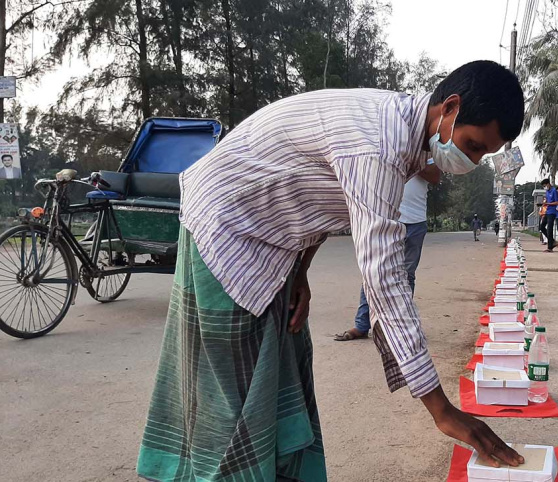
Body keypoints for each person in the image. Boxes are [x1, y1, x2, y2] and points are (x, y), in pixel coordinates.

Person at [137, 60, 526, 482]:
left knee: (285, 367)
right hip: (226, 225)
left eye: (483, 154)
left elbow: (317, 192)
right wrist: (443, 410)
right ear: (449, 108)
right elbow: (385, 282)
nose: (472, 160)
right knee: (236, 389)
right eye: (472, 146)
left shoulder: (407, 135)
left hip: (275, 238)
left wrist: (300, 269)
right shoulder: (378, 144)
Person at [334, 162, 440, 342]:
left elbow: (435, 177)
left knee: (406, 276)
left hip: (415, 221)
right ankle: (362, 325)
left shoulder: (426, 150)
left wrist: (412, 160)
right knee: (373, 271)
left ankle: (398, 328)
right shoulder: (384, 138)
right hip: (384, 218)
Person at [538, 178, 558, 252]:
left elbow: (557, 203)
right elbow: (547, 200)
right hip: (547, 211)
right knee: (542, 227)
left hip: (552, 212)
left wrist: (548, 203)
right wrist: (544, 203)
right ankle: (552, 241)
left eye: (545, 185)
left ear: (548, 184)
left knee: (549, 229)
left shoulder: (554, 191)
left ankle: (550, 247)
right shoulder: (547, 191)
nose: (544, 187)